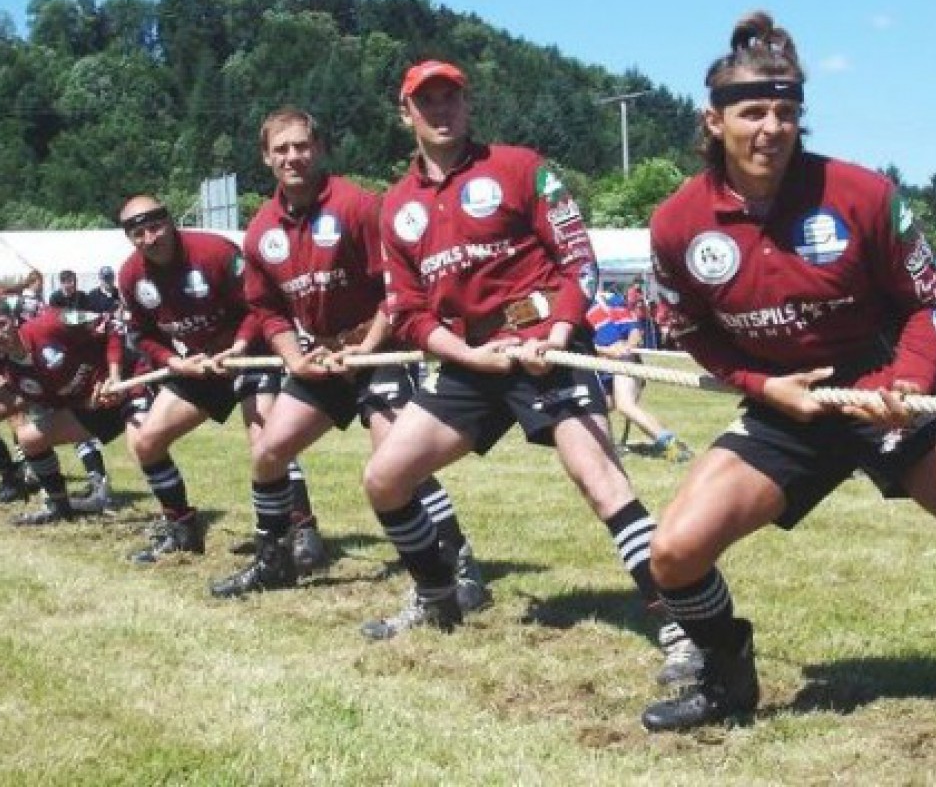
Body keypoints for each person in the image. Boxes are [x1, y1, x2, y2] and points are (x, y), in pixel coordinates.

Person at [641, 12, 936, 732]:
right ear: (714, 120)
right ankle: (727, 676)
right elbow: (690, 329)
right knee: (674, 554)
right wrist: (764, 388)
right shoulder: (676, 222)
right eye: (753, 113)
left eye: (787, 113)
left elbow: (928, 302)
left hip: (886, 387)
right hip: (784, 404)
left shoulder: (862, 193)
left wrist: (909, 383)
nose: (772, 128)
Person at [362, 58, 698, 674]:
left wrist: (559, 333)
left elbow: (579, 261)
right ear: (405, 113)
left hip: (547, 348)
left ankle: (683, 625)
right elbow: (406, 310)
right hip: (470, 360)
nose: (440, 110)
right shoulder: (397, 207)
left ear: (467, 104)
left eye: (450, 97)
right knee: (385, 478)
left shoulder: (520, 167)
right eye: (425, 101)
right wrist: (465, 354)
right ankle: (437, 596)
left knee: (600, 479)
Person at [208, 107, 489, 615]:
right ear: (266, 157)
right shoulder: (260, 230)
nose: (293, 157)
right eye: (281, 149)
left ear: (318, 149)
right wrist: (295, 359)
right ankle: (274, 561)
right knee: (269, 451)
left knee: (397, 459)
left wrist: (368, 345)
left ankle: (459, 567)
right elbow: (267, 309)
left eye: (301, 145)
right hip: (321, 359)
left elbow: (397, 285)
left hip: (379, 351)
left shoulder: (358, 206)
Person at [116, 194, 320, 564]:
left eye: (155, 227)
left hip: (253, 353)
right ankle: (182, 528)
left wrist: (240, 346)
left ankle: (301, 529)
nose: (150, 238)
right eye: (139, 233)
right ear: (129, 238)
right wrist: (174, 362)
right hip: (203, 364)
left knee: (268, 444)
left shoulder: (215, 251)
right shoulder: (131, 275)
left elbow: (260, 305)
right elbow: (142, 334)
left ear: (170, 221)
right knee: (147, 442)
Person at [0, 295, 132, 525]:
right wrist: (86, 403)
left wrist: (114, 376)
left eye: (0, 324)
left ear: (14, 320)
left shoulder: (50, 323)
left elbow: (112, 324)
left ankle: (176, 518)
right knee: (29, 439)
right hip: (98, 407)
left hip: (130, 384)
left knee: (145, 445)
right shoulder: (13, 373)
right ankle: (59, 508)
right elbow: (59, 401)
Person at [586, 286, 692, 463]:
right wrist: (606, 351)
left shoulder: (610, 299)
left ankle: (672, 445)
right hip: (602, 365)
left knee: (625, 404)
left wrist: (628, 347)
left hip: (625, 361)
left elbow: (634, 329)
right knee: (596, 407)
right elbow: (584, 345)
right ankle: (608, 449)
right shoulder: (573, 306)